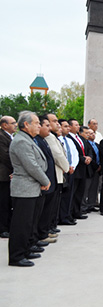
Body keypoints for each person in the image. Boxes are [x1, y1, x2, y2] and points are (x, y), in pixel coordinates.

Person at [8, 111, 50, 267]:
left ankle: (25, 250)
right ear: (26, 124)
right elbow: (31, 165)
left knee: (29, 223)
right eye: (37, 123)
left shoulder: (27, 139)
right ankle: (16, 256)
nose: (39, 125)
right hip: (24, 189)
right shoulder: (21, 141)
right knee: (21, 224)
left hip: (32, 188)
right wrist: (45, 180)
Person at [34, 116, 57, 245]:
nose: (49, 128)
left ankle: (44, 231)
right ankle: (41, 234)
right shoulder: (36, 141)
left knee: (47, 209)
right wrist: (44, 181)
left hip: (49, 181)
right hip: (43, 182)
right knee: (41, 212)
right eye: (46, 125)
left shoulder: (43, 140)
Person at [44, 113, 69, 233]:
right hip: (54, 174)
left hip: (58, 174)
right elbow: (57, 155)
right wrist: (67, 167)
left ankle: (51, 226)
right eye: (54, 121)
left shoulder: (53, 137)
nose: (57, 124)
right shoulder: (49, 137)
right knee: (50, 206)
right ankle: (47, 228)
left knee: (54, 204)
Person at [67, 119, 91, 221]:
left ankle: (77, 212)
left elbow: (87, 149)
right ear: (70, 126)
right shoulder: (68, 138)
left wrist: (89, 157)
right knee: (72, 193)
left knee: (79, 193)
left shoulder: (80, 138)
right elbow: (74, 153)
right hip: (75, 169)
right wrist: (83, 159)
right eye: (76, 125)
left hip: (83, 169)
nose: (78, 126)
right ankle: (70, 213)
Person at [57, 119, 78, 226]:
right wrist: (66, 167)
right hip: (62, 171)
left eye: (68, 126)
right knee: (62, 196)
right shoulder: (57, 140)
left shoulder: (69, 140)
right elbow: (59, 156)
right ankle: (61, 217)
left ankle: (67, 215)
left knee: (69, 195)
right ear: (59, 127)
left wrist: (73, 166)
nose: (68, 128)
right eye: (65, 126)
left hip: (71, 171)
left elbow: (75, 155)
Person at [0, 115, 16, 239]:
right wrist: (16, 168)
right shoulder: (1, 137)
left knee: (9, 202)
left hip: (10, 174)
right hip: (4, 175)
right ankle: (3, 228)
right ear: (5, 125)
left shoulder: (11, 136)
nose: (15, 125)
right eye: (13, 122)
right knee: (3, 203)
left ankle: (9, 226)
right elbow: (5, 156)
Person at [84, 128, 101, 212]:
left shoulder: (97, 145)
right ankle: (84, 206)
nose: (93, 135)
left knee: (94, 188)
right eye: (90, 133)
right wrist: (96, 166)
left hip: (97, 170)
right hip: (90, 168)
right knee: (86, 188)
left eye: (93, 133)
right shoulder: (86, 144)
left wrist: (100, 165)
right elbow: (90, 157)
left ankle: (92, 204)